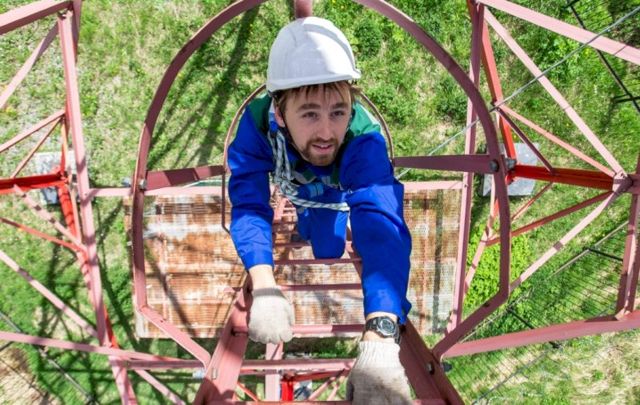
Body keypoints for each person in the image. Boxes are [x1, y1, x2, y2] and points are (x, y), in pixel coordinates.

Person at [227, 16, 412, 404]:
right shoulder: (258, 127)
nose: (327, 133)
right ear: (280, 113)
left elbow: (381, 224)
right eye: (310, 114)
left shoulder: (362, 139)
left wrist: (381, 336)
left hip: (333, 194)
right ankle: (305, 219)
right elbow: (249, 203)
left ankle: (311, 222)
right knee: (311, 228)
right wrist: (263, 282)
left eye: (338, 112)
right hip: (298, 190)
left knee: (327, 248)